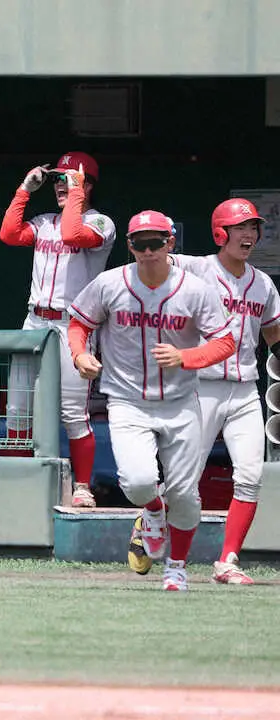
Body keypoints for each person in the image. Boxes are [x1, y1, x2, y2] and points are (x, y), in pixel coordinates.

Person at [68, 210, 236, 591]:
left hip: (180, 401)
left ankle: (176, 566)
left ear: (170, 243)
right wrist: (79, 355)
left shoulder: (195, 289)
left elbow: (226, 341)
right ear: (130, 246)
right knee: (140, 483)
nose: (148, 250)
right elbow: (79, 323)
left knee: (185, 494)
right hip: (128, 399)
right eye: (140, 243)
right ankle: (153, 513)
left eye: (155, 242)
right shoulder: (110, 283)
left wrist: (186, 358)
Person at [154, 199, 280, 584]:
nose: (249, 235)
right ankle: (153, 518)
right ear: (220, 233)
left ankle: (227, 561)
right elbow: (156, 262)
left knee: (249, 475)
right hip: (200, 386)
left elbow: (274, 337)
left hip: (243, 388)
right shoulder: (196, 267)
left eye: (253, 228)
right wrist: (161, 244)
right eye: (241, 228)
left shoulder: (263, 283)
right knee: (182, 481)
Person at [0, 156, 116, 506]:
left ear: (87, 184)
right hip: (35, 320)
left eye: (68, 179)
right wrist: (23, 191)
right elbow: (8, 234)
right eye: (56, 180)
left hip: (72, 325)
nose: (60, 185)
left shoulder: (101, 222)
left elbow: (73, 233)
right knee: (18, 409)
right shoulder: (44, 221)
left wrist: (76, 192)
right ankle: (17, 483)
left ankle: (82, 487)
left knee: (72, 413)